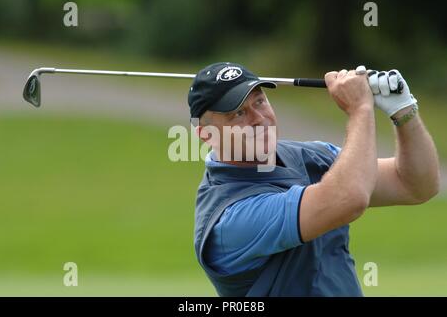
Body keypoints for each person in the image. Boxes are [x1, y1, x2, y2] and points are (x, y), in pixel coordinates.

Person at [188, 62, 440, 296]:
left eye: (260, 102)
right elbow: (349, 198)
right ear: (206, 134)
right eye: (238, 114)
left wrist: (403, 110)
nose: (258, 119)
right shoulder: (229, 219)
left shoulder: (310, 155)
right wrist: (360, 110)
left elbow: (415, 186)